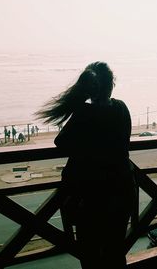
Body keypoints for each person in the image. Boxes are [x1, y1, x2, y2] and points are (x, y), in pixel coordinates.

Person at [36, 61, 135, 269]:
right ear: (112, 85)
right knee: (116, 253)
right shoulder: (121, 108)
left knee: (90, 258)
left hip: (91, 198)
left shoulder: (84, 113)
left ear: (89, 89)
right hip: (122, 191)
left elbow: (61, 142)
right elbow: (123, 142)